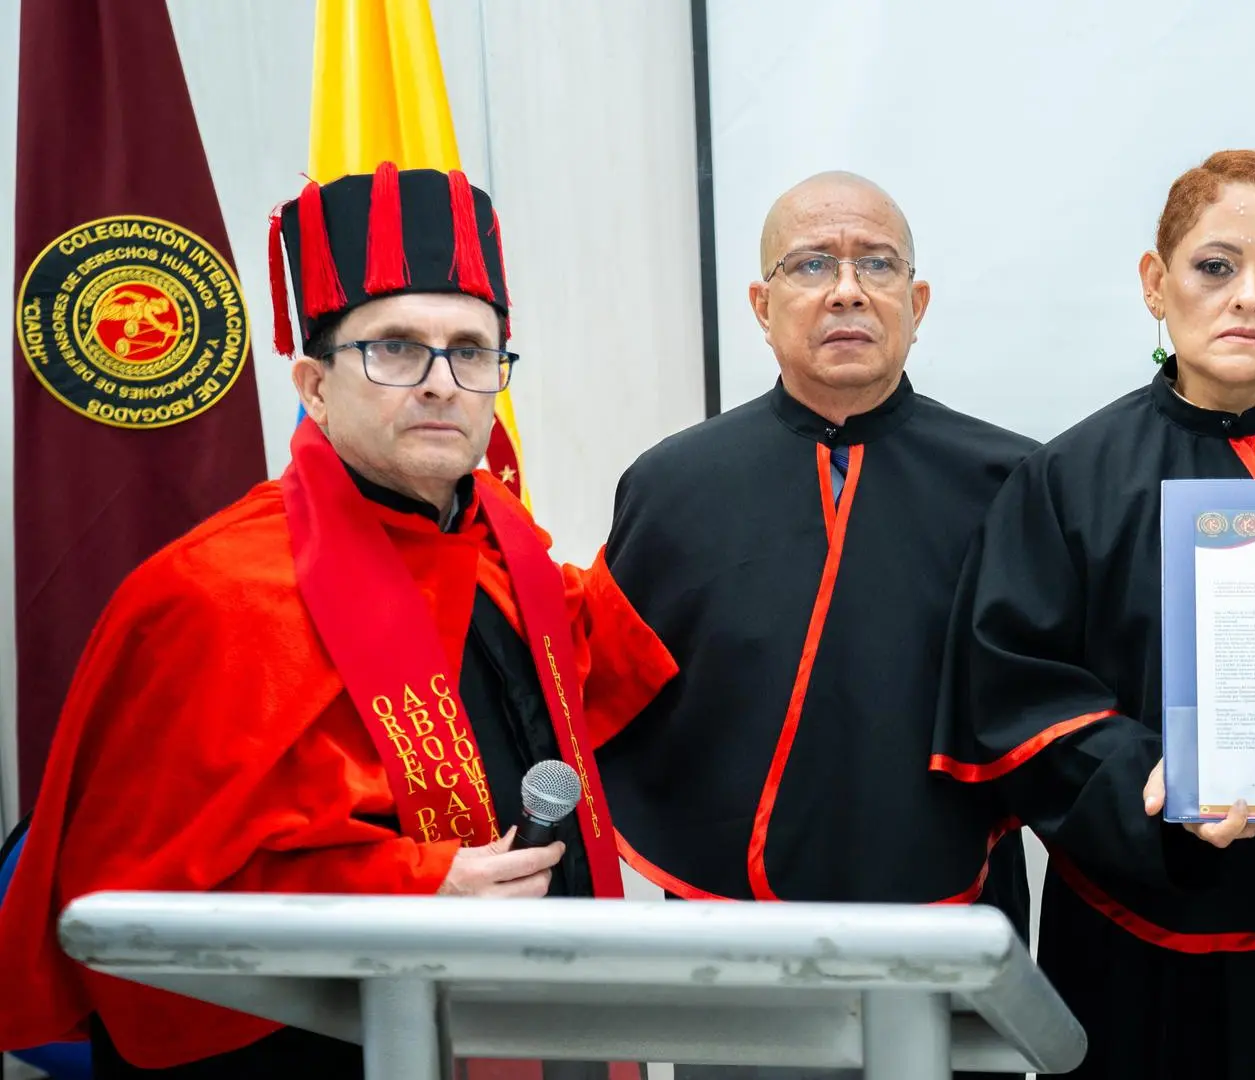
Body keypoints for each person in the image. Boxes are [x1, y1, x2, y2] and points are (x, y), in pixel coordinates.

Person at [0, 163, 677, 1079]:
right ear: (314, 384)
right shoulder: (211, 595)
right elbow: (137, 900)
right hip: (309, 1042)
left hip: (521, 1019)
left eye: (472, 351)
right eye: (394, 348)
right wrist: (417, 887)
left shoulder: (507, 560)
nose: (442, 382)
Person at [933, 150, 1255, 1079]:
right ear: (1156, 282)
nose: (1248, 296)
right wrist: (1156, 777)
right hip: (1148, 943)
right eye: (1215, 266)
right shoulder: (1070, 477)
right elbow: (1015, 691)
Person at [594, 172, 1036, 1078]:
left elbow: (1053, 702)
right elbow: (605, 694)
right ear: (762, 305)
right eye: (810, 264)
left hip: (952, 924)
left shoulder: (1013, 483)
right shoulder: (673, 487)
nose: (846, 288)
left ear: (915, 303)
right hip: (735, 941)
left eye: (876, 263)